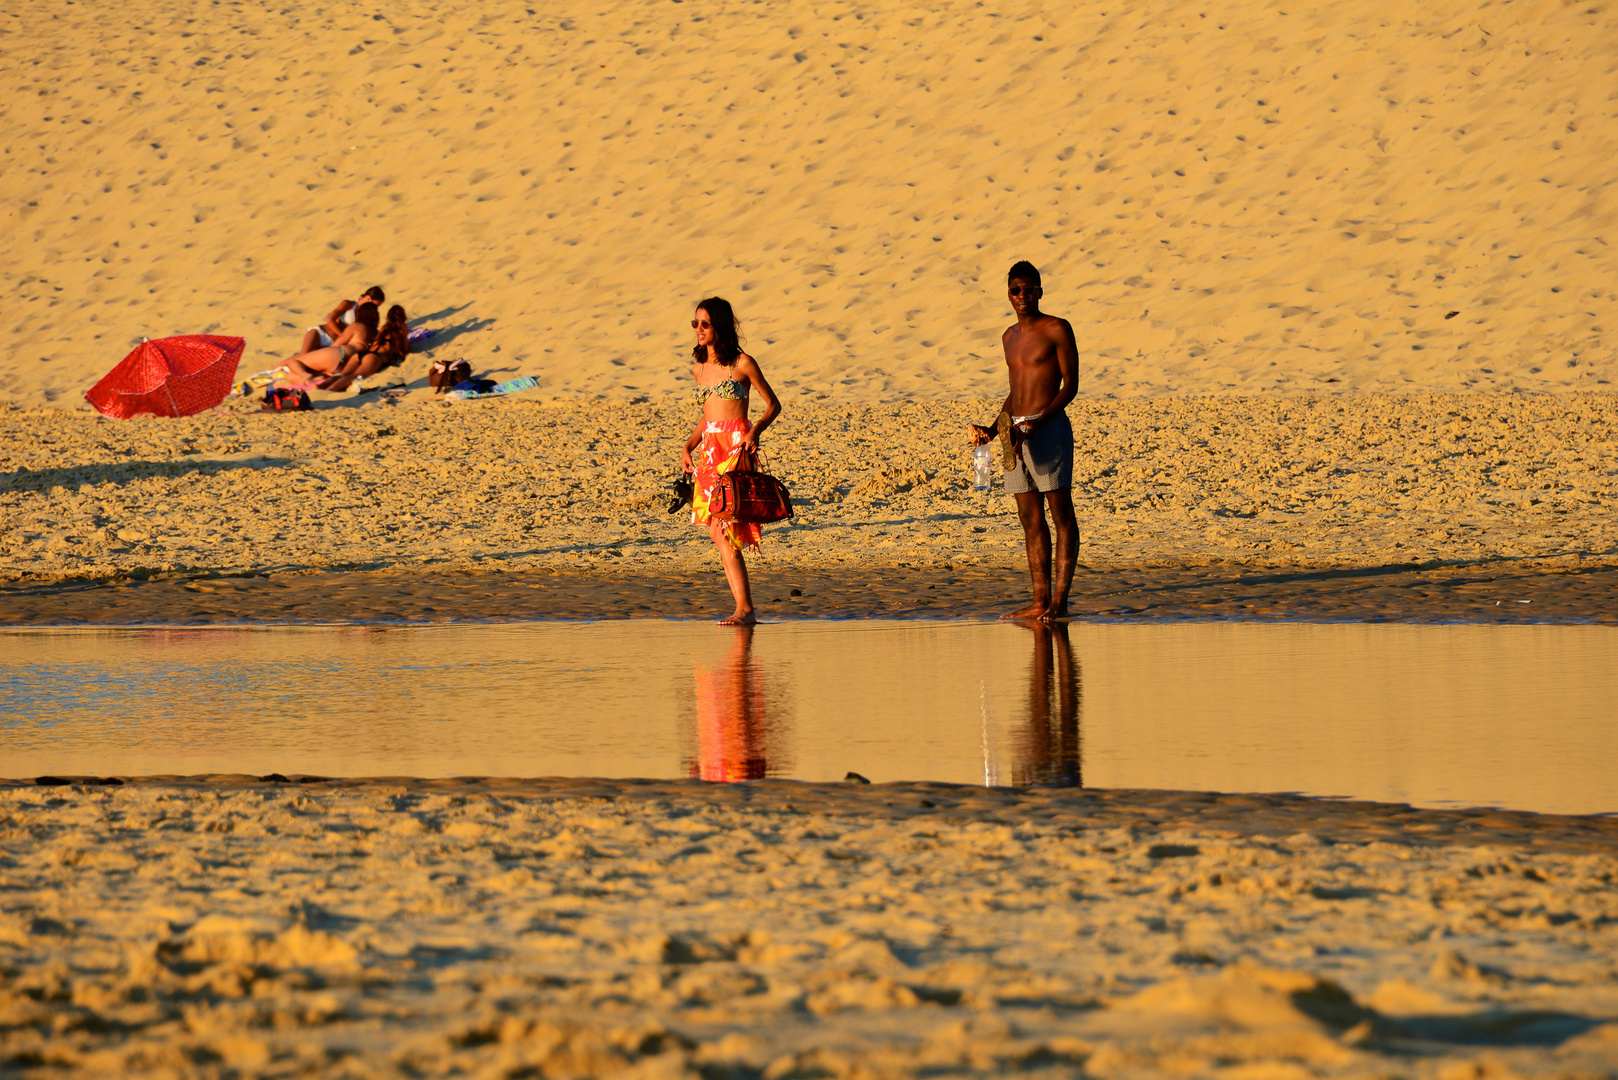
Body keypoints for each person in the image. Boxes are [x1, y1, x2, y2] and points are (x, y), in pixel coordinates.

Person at [968, 261, 1080, 621]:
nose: (1022, 296)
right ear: (1008, 293)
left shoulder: (1057, 329)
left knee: (1060, 513)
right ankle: (1038, 600)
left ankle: (1059, 602)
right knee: (1029, 519)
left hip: (1046, 428)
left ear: (1040, 292)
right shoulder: (1008, 337)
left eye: (1029, 289)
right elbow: (1015, 392)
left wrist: (1039, 422)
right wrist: (993, 428)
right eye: (1016, 290)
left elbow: (1070, 386)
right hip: (1011, 432)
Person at [679, 297, 782, 627]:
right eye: (695, 323)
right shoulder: (699, 369)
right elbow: (707, 416)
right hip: (710, 451)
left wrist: (756, 430)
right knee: (715, 530)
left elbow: (772, 405)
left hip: (736, 448)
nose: (698, 329)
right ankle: (743, 608)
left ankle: (745, 609)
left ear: (719, 326)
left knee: (727, 526)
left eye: (705, 324)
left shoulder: (742, 363)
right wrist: (688, 446)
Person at [318, 304, 411, 391]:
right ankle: (330, 390)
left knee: (343, 375)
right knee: (356, 376)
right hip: (375, 357)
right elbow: (406, 349)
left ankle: (320, 388)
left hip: (361, 354)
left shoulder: (384, 328)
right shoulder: (403, 328)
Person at [281, 302, 378, 382]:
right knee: (291, 376)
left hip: (340, 353)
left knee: (295, 361)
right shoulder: (375, 333)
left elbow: (337, 344)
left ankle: (304, 375)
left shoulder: (356, 326)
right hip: (345, 365)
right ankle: (316, 378)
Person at [300, 286, 385, 353]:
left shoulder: (367, 315)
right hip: (322, 334)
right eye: (376, 305)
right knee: (303, 357)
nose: (376, 308)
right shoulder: (348, 304)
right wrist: (343, 337)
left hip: (335, 345)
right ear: (369, 299)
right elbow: (330, 320)